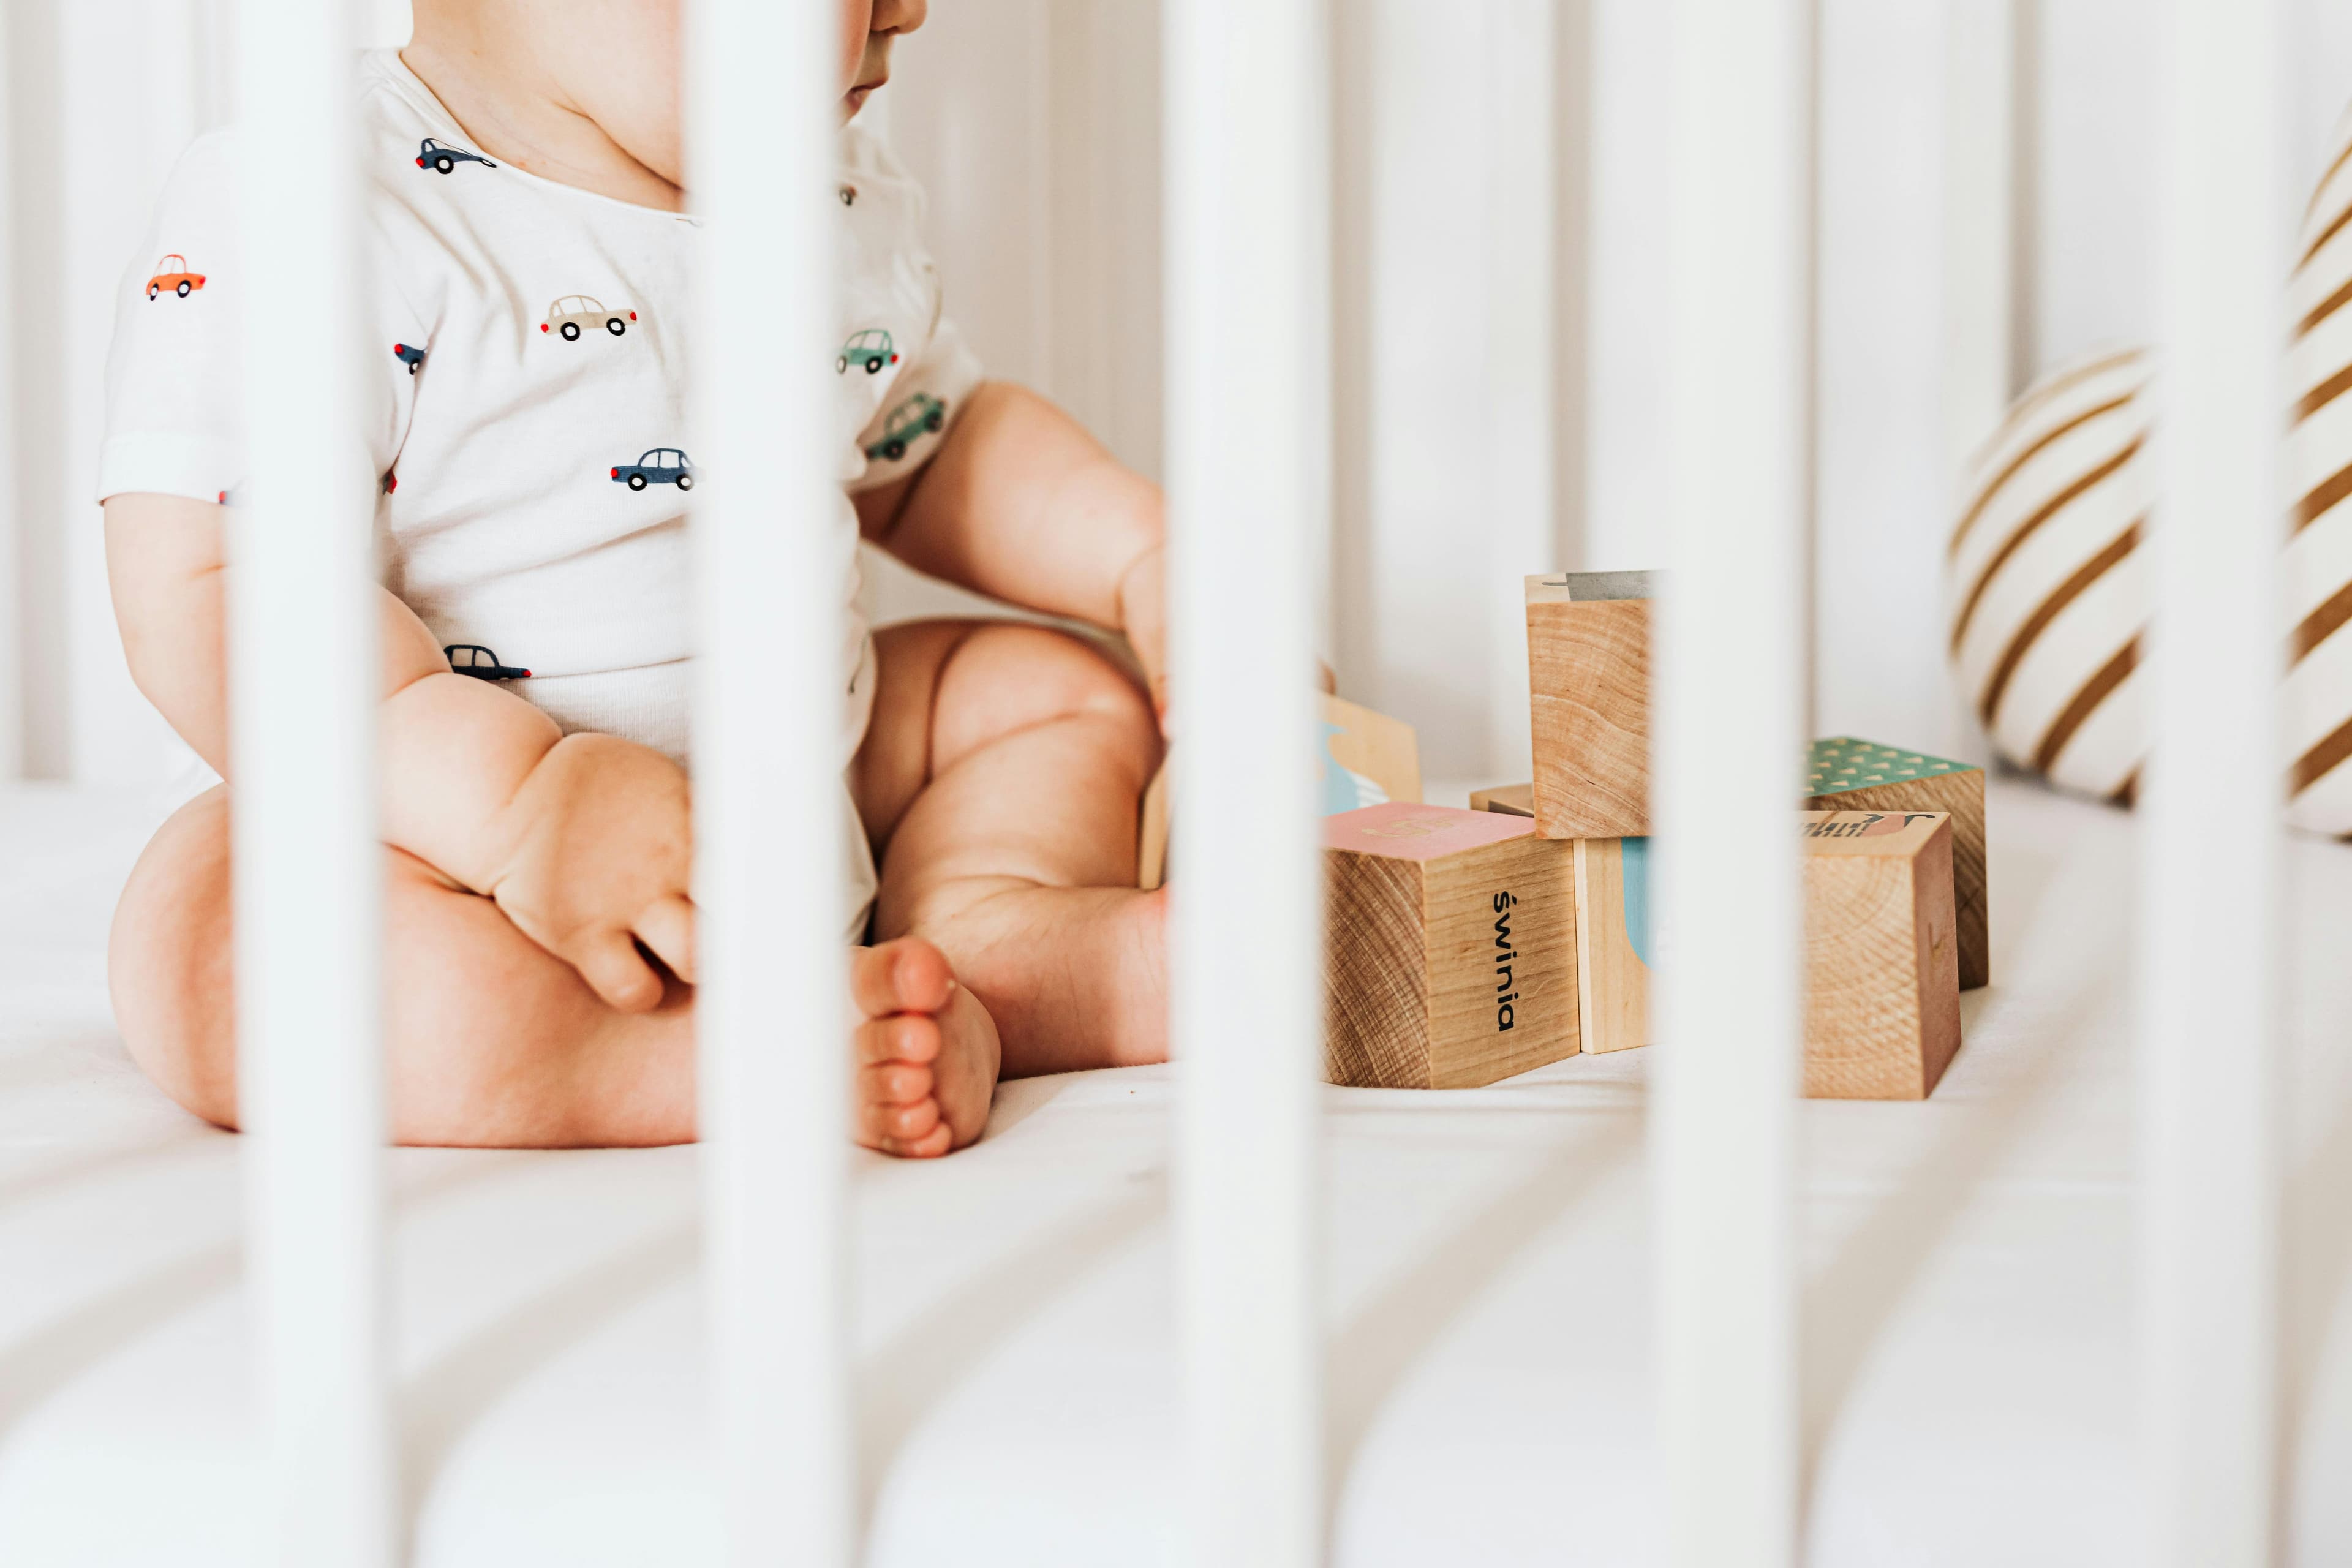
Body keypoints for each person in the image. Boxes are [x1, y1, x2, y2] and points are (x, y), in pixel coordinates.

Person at [100, 0, 1171, 1157]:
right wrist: (523, 807)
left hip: (807, 784)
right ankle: (723, 1060)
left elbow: (930, 452)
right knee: (220, 936)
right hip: (457, 861)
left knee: (1050, 690)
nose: (909, 9)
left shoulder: (830, 189)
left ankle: (986, 938)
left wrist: (1148, 563)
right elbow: (212, 590)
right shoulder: (313, 206)